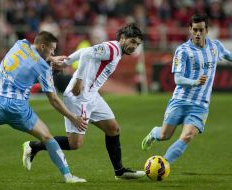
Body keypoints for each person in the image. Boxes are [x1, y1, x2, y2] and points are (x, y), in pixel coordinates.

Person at [22, 23, 146, 180]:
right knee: (75, 144)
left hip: (92, 95)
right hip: (79, 97)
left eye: (137, 44)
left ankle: (120, 171)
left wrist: (66, 63)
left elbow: (86, 51)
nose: (134, 46)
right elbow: (87, 53)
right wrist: (79, 79)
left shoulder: (115, 50)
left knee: (113, 129)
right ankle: (34, 146)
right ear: (122, 38)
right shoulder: (113, 49)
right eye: (133, 42)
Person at [0, 31, 88, 183]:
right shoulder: (43, 68)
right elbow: (54, 100)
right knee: (48, 138)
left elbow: (33, 55)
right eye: (52, 49)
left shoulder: (20, 44)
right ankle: (68, 176)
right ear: (43, 46)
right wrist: (73, 118)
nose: (53, 52)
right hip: (16, 109)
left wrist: (51, 58)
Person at [141, 14, 232, 164]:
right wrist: (195, 82)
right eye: (195, 29)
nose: (198, 33)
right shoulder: (182, 51)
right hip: (180, 100)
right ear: (190, 29)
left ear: (206, 30)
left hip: (200, 105)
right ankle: (154, 132)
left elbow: (229, 56)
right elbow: (178, 79)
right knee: (165, 135)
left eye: (201, 30)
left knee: (187, 136)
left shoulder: (215, 47)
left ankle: (163, 165)